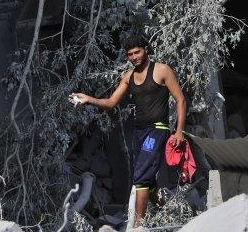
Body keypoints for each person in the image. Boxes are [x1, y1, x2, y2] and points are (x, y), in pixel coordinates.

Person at [70, 35, 187, 226]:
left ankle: (137, 227)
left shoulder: (162, 70)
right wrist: (88, 99)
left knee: (140, 179)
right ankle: (166, 210)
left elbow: (181, 100)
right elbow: (110, 102)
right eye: (130, 54)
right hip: (140, 132)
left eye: (137, 52)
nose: (134, 57)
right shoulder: (129, 77)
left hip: (157, 130)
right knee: (146, 183)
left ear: (145, 49)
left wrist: (179, 131)